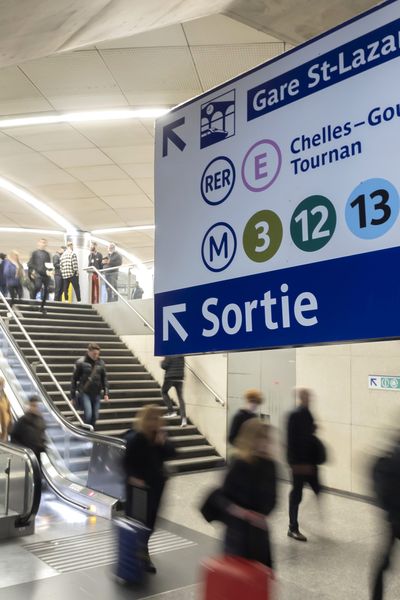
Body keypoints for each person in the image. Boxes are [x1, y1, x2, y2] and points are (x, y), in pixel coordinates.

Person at [202, 419, 277, 568]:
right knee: (236, 574)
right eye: (262, 437)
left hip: (259, 531)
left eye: (268, 438)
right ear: (252, 439)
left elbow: (273, 498)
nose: (266, 442)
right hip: (238, 532)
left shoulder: (270, 465)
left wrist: (262, 514)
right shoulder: (239, 464)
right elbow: (222, 496)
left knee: (260, 575)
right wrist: (241, 512)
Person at [124, 405, 176, 573]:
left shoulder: (159, 436)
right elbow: (126, 463)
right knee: (140, 522)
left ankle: (141, 550)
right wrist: (133, 478)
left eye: (157, 418)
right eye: (152, 418)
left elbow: (172, 453)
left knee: (151, 523)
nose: (155, 422)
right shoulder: (137, 438)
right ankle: (140, 554)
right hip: (139, 489)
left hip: (156, 487)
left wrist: (163, 443)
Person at [286, 387, 321, 542]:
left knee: (318, 489)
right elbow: (290, 441)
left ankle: (305, 518)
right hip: (299, 464)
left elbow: (309, 435)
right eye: (306, 397)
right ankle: (292, 527)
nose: (309, 399)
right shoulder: (294, 415)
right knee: (296, 495)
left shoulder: (308, 413)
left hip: (310, 462)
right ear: (301, 398)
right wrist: (293, 463)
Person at [370, 440, 400, 600]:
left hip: (393, 519)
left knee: (383, 561)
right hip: (395, 518)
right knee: (384, 561)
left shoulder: (392, 454)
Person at [70, 342, 109, 428]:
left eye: (98, 354)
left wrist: (106, 392)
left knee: (95, 416)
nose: (96, 356)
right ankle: (86, 433)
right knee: (88, 415)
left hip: (97, 393)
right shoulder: (81, 362)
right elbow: (74, 379)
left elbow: (104, 378)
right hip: (85, 393)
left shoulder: (101, 363)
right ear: (89, 352)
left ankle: (91, 433)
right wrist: (72, 396)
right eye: (94, 354)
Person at [11, 395, 46, 462]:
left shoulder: (40, 419)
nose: (35, 408)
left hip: (36, 454)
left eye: (36, 406)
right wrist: (23, 451)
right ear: (29, 406)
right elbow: (14, 436)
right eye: (33, 405)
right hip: (26, 455)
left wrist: (42, 446)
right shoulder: (22, 420)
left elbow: (41, 435)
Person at [161, 355, 187, 427]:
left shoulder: (169, 354)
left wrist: (162, 362)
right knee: (180, 398)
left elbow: (164, 366)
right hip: (180, 378)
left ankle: (171, 411)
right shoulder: (182, 356)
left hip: (170, 377)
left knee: (164, 392)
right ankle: (183, 419)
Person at [27, 238, 51, 312]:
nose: (43, 244)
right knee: (38, 286)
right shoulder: (35, 253)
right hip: (38, 274)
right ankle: (32, 302)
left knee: (47, 291)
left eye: (44, 243)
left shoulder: (47, 254)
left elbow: (49, 264)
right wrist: (32, 271)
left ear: (46, 244)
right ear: (38, 243)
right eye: (41, 242)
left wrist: (50, 271)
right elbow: (30, 264)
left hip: (46, 274)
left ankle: (42, 307)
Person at [0, 377, 12, 442]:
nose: (4, 387)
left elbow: (8, 410)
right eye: (2, 384)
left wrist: (10, 422)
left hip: (5, 427)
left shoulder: (4, 396)